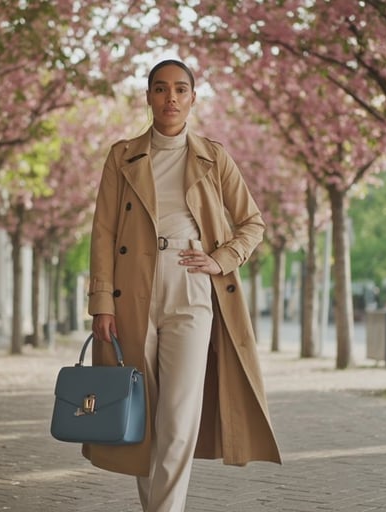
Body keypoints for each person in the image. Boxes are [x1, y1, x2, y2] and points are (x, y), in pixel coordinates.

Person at [85, 59, 282, 512]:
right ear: (149, 97)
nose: (170, 97)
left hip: (192, 289)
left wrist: (219, 260)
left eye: (180, 89)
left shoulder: (214, 156)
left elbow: (252, 223)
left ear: (193, 97)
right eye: (160, 88)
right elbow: (102, 231)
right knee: (140, 416)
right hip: (130, 293)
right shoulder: (123, 155)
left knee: (178, 417)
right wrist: (101, 302)